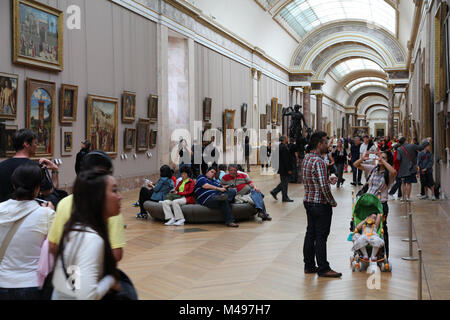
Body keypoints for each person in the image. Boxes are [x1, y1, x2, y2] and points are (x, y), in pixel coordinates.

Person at [51, 170, 121, 300]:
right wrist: (110, 280)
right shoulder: (91, 239)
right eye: (114, 190)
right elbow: (87, 296)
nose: (120, 196)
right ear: (98, 198)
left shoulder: (79, 229)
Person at [48, 151, 126, 263]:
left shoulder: (64, 203)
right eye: (114, 190)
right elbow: (116, 253)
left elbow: (53, 245)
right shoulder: (109, 206)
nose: (119, 196)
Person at [0, 164, 55, 300]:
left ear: (14, 185)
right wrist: (52, 212)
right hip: (32, 284)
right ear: (37, 188)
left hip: (2, 282)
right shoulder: (46, 214)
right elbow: (55, 247)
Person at [302, 131, 341, 278]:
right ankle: (324, 268)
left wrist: (326, 178)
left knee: (310, 234)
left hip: (309, 201)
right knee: (321, 236)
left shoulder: (307, 158)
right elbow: (324, 187)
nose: (327, 145)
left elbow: (311, 179)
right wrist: (332, 201)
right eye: (325, 142)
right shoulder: (318, 161)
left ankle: (309, 265)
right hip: (320, 205)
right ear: (319, 144)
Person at [353, 150, 396, 258]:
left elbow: (394, 172)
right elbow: (355, 164)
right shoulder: (373, 169)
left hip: (380, 204)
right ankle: (364, 252)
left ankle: (383, 253)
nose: (381, 159)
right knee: (364, 225)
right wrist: (363, 158)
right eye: (380, 157)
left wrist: (384, 162)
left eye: (384, 157)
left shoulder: (388, 174)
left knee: (381, 229)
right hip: (367, 203)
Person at [0, 129, 59, 203]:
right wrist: (55, 170)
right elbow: (49, 191)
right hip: (29, 212)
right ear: (26, 144)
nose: (36, 146)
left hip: (5, 212)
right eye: (35, 143)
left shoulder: (1, 166)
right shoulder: (35, 168)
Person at [397, 137, 431, 201]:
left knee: (403, 183)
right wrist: (427, 141)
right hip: (411, 168)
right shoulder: (412, 146)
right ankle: (408, 197)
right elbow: (421, 147)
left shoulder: (399, 149)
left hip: (402, 169)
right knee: (409, 183)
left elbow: (398, 159)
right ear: (406, 141)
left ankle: (403, 198)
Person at [270, 136, 293, 202]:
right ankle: (284, 197)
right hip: (284, 168)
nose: (287, 139)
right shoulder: (283, 147)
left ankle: (275, 192)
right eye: (286, 138)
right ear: (284, 140)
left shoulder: (280, 147)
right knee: (284, 183)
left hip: (281, 168)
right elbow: (285, 160)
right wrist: (289, 169)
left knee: (284, 182)